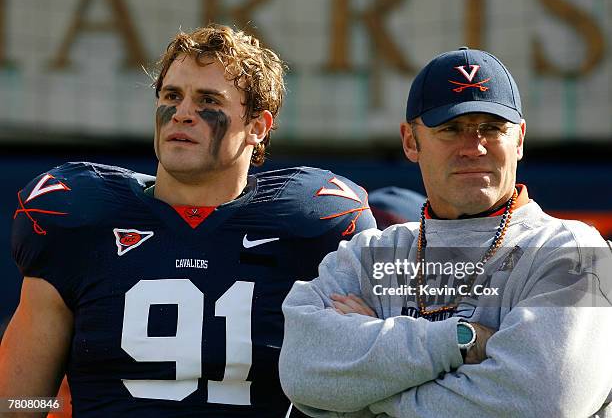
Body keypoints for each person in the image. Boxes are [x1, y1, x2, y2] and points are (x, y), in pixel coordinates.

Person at [0, 24, 376, 417]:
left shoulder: (314, 225)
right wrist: (57, 406)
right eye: (171, 96)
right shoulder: (81, 218)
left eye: (207, 101)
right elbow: (16, 403)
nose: (182, 114)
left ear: (257, 127)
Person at [279, 47, 612, 417]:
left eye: (492, 128)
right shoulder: (368, 254)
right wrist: (463, 341)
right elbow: (303, 372)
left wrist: (367, 395)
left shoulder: (574, 251)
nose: (474, 147)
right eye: (450, 129)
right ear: (410, 140)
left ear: (519, 139)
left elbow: (543, 403)